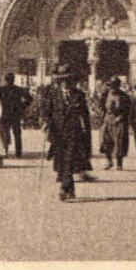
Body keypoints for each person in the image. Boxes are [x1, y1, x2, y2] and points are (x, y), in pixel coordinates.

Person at [45, 65, 94, 201]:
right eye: (63, 80)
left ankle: (63, 187)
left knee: (69, 159)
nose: (65, 83)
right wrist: (46, 123)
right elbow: (48, 112)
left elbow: (85, 116)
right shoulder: (53, 95)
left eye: (68, 80)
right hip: (57, 133)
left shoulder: (79, 95)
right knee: (61, 160)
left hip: (74, 132)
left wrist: (87, 135)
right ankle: (70, 188)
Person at [0, 73, 32, 158]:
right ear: (13, 79)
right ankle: (18, 153)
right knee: (17, 133)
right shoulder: (18, 89)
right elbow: (29, 98)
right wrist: (22, 106)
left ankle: (5, 151)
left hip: (5, 113)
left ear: (5, 79)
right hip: (15, 113)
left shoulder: (2, 89)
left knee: (5, 133)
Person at [100, 77, 132, 169]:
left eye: (114, 86)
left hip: (120, 119)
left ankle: (119, 163)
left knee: (119, 141)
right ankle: (109, 161)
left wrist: (120, 117)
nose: (112, 88)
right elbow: (102, 106)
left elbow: (128, 109)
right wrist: (103, 116)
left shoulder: (124, 96)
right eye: (111, 86)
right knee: (104, 140)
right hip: (107, 118)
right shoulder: (106, 94)